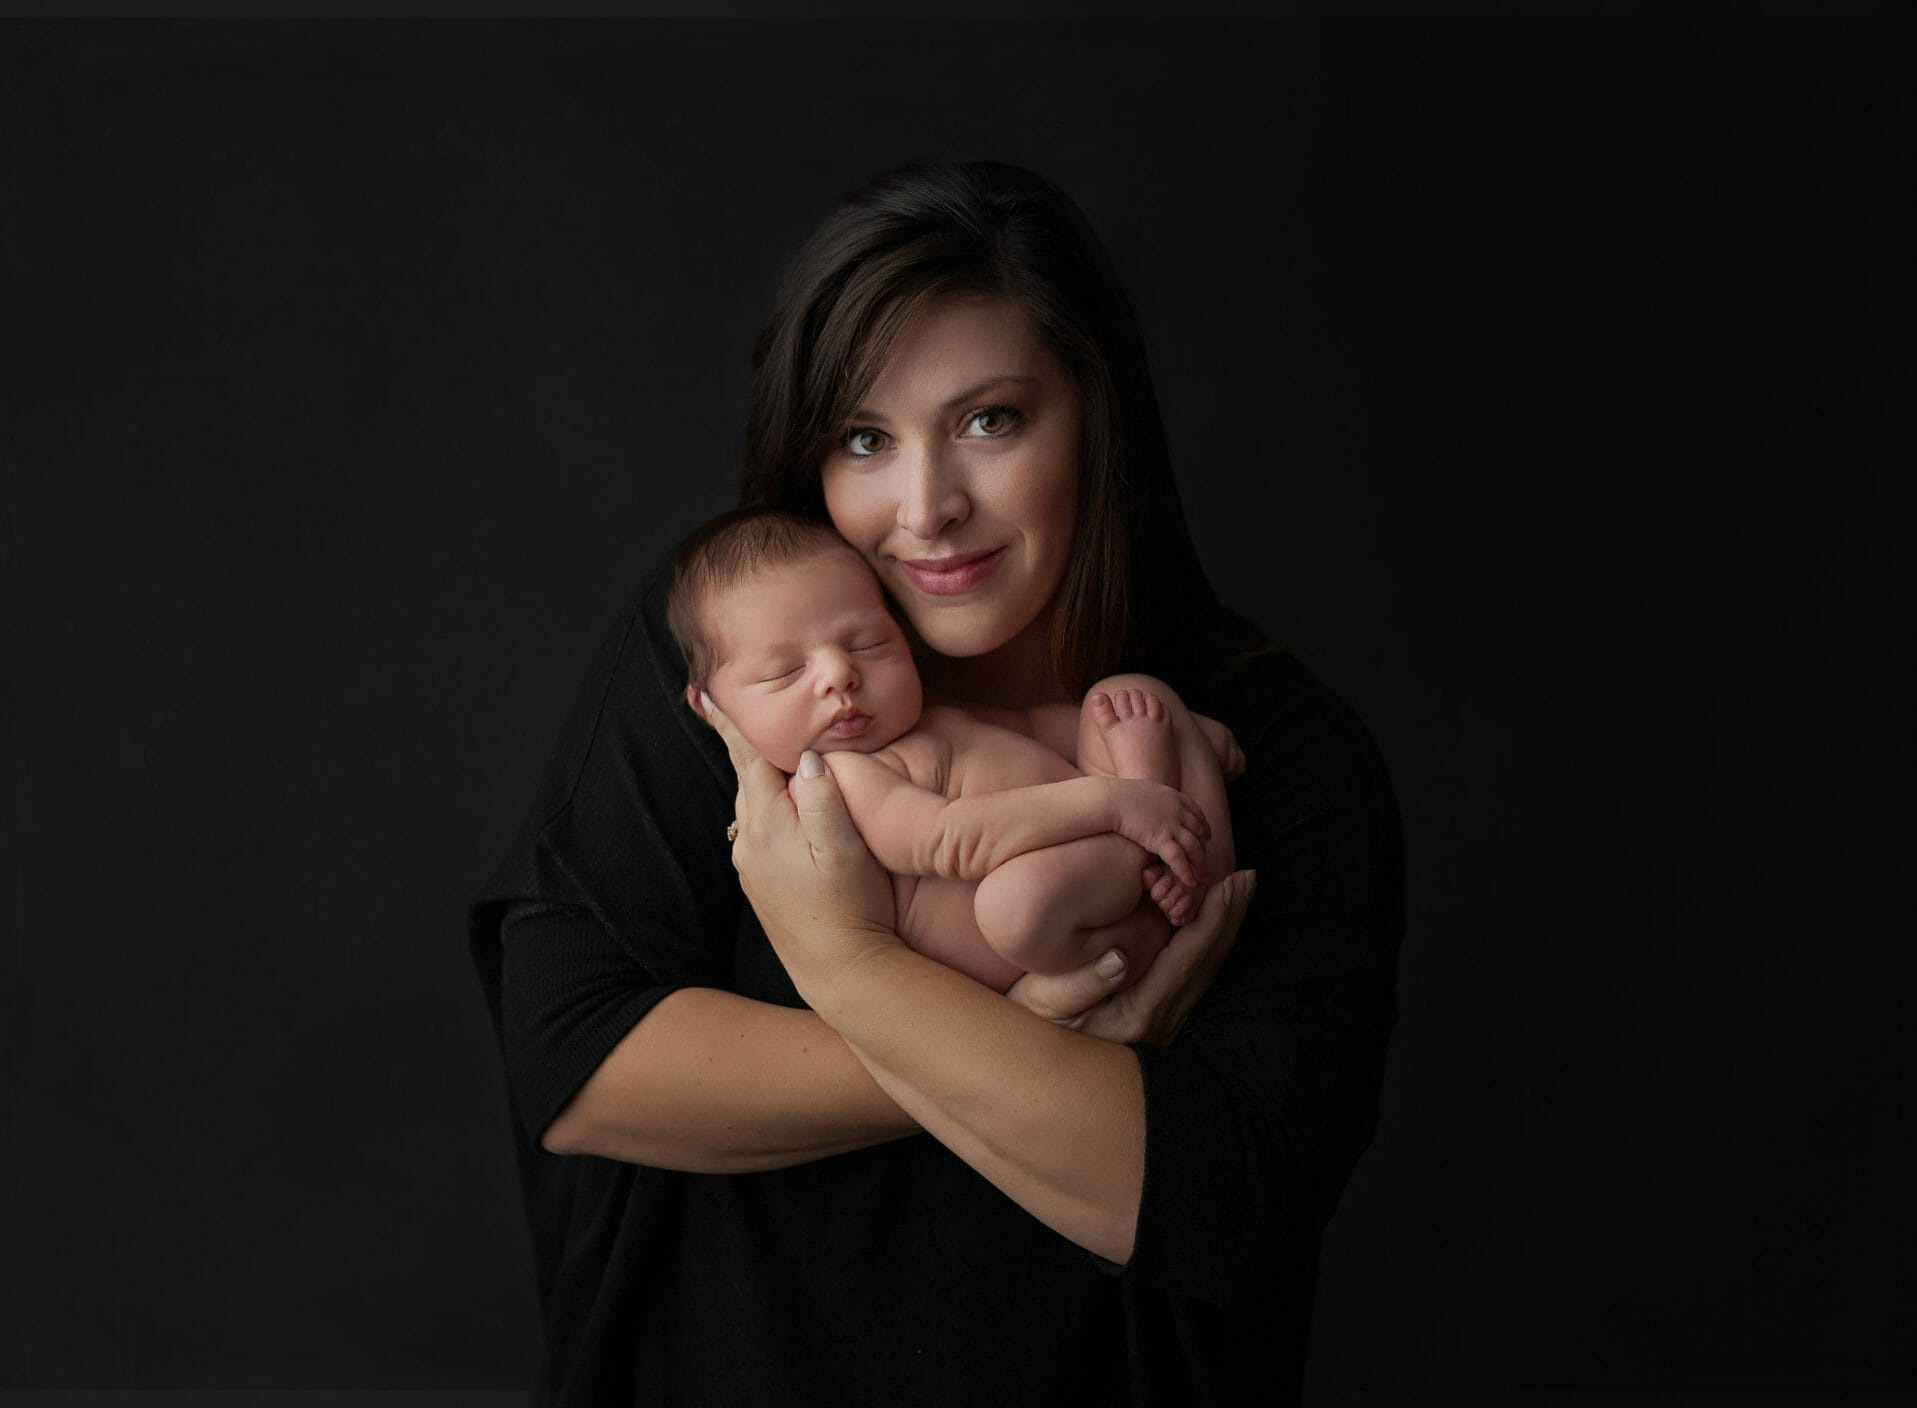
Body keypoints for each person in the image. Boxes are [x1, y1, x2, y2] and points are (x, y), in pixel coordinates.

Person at [469, 158, 1403, 1407]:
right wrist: (1032, 1038)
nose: (927, 509)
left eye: (990, 421)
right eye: (864, 438)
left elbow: (1221, 1199)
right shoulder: (747, 656)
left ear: (1094, 415)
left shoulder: (1275, 750)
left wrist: (855, 969)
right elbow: (574, 1065)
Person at [667, 505, 1236, 990]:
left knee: (1123, 698)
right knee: (1014, 907)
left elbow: (1034, 728)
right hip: (1052, 917)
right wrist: (1113, 803)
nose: (839, 674)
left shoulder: (930, 712)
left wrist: (1140, 731)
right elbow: (952, 841)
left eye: (869, 642)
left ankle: (1176, 848)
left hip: (1102, 838)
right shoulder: (840, 783)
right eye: (785, 672)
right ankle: (1160, 901)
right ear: (711, 707)